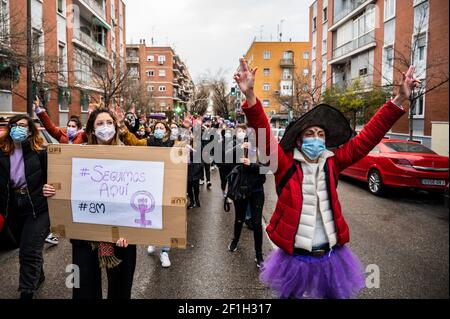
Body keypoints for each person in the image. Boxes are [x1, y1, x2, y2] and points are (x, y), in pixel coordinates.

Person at [234, 58, 418, 299]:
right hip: (295, 258)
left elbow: (367, 139)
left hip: (331, 255)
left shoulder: (334, 161)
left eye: (320, 134)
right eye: (309, 133)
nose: (316, 138)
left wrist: (399, 100)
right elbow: (263, 133)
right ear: (299, 140)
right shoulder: (284, 163)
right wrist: (250, 97)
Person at [43, 107, 136, 299]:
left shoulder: (130, 155)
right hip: (85, 236)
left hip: (120, 235)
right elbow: (64, 184)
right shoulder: (77, 155)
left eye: (109, 123)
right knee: (84, 286)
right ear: (92, 130)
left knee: (120, 287)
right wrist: (51, 190)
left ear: (116, 127)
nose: (106, 127)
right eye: (100, 123)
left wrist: (131, 230)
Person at [0, 114, 50, 299]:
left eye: (22, 125)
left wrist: (50, 186)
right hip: (13, 207)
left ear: (30, 130)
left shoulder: (40, 152)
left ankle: (26, 293)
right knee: (27, 246)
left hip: (38, 207)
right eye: (14, 125)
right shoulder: (2, 151)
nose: (17, 128)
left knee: (28, 251)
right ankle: (39, 275)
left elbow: (53, 178)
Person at [117, 116, 174, 268]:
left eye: (162, 128)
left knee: (166, 217)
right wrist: (123, 128)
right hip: (150, 185)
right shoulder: (148, 143)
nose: (159, 130)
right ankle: (153, 240)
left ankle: (165, 251)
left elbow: (188, 150)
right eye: (157, 128)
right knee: (152, 214)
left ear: (167, 131)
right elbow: (133, 142)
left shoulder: (173, 145)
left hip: (167, 185)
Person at [33, 97, 87, 245]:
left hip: (78, 176)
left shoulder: (83, 136)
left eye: (73, 126)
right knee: (60, 202)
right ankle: (55, 233)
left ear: (79, 128)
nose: (70, 127)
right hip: (64, 174)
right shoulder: (62, 135)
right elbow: (50, 127)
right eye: (69, 125)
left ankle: (80, 229)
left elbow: (90, 132)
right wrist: (39, 111)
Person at [226, 124, 266, 268]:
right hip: (241, 190)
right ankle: (235, 240)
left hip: (256, 191)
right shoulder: (238, 148)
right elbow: (226, 165)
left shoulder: (262, 151)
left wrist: (252, 164)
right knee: (239, 219)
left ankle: (259, 254)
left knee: (256, 223)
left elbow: (267, 168)